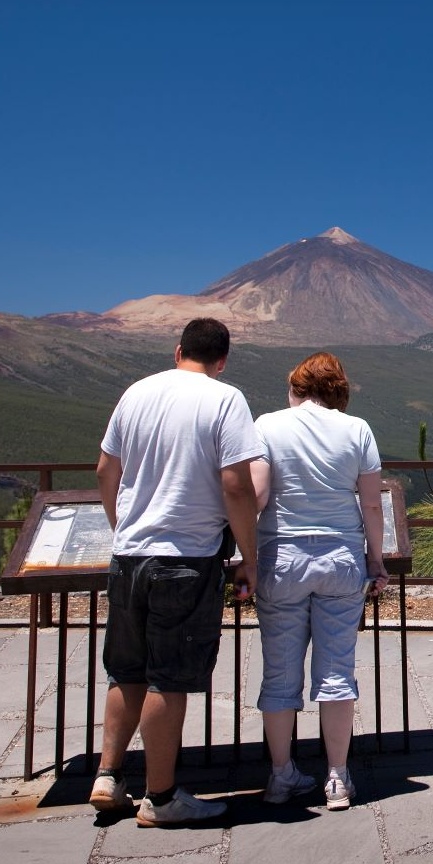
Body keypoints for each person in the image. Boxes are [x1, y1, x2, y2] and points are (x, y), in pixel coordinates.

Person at [90, 318, 263, 827]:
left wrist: (122, 526)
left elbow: (105, 470)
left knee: (127, 669)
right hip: (187, 558)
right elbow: (236, 484)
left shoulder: (137, 393)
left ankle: (107, 775)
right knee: (170, 679)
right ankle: (161, 799)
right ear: (223, 360)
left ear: (178, 350)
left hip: (128, 556)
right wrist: (248, 558)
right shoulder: (225, 399)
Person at [250, 351, 385, 810]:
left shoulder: (267, 425)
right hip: (342, 560)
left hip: (280, 558)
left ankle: (281, 774)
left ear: (296, 389)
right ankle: (338, 776)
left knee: (280, 673)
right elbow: (370, 505)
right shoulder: (358, 430)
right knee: (337, 671)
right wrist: (377, 560)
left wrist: (243, 556)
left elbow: (259, 495)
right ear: (338, 390)